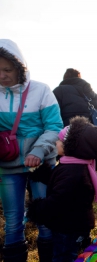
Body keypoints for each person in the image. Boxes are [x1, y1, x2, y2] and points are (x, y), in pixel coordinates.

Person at [0, 39, 64, 262]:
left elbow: (54, 126)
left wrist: (38, 150)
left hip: (41, 164)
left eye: (7, 69)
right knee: (12, 219)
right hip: (7, 167)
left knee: (46, 217)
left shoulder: (41, 90)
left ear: (20, 67)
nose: (2, 76)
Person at [27, 116, 97, 262]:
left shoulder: (72, 171)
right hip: (75, 224)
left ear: (71, 146)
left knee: (63, 257)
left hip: (68, 228)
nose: (56, 142)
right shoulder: (76, 165)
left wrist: (37, 209)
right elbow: (59, 181)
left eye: (60, 140)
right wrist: (43, 174)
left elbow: (60, 199)